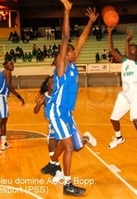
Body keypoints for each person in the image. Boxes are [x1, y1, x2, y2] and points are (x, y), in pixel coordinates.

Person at [43, 0, 98, 196]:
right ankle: (67, 185)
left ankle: (51, 164)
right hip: (57, 111)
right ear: (65, 55)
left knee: (67, 144)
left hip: (66, 112)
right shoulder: (62, 66)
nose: (74, 51)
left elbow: (82, 39)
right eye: (71, 50)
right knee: (69, 147)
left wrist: (90, 22)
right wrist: (67, 11)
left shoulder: (73, 64)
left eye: (74, 50)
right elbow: (65, 37)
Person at [106, 26, 137, 163]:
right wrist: (109, 32)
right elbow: (112, 50)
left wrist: (127, 41)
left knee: (136, 121)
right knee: (113, 118)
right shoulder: (125, 61)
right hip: (125, 93)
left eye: (132, 48)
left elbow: (130, 55)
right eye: (129, 48)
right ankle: (119, 138)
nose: (130, 50)